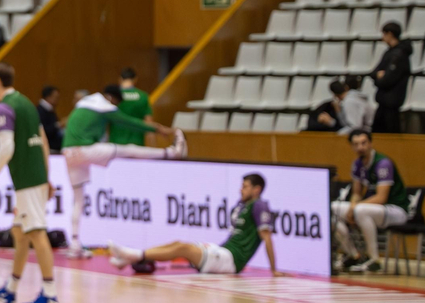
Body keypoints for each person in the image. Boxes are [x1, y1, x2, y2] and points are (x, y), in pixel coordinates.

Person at [60, 86, 185, 256]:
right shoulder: (103, 106)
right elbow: (131, 122)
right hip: (85, 150)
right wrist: (158, 128)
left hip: (68, 152)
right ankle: (171, 152)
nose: (117, 106)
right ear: (111, 98)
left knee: (78, 200)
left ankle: (74, 244)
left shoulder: (84, 103)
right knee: (129, 149)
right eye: (117, 102)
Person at [0, 63, 57, 303]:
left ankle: (51, 295)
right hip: (35, 177)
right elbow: (43, 140)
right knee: (19, 233)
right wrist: (47, 176)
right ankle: (11, 289)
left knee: (36, 232)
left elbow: (7, 148)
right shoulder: (27, 104)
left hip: (26, 179)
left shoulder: (4, 107)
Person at [108, 173, 276, 276]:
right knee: (178, 244)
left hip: (231, 260)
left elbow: (267, 238)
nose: (241, 190)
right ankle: (131, 258)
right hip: (224, 251)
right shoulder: (242, 206)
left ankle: (133, 255)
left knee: (184, 249)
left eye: (245, 187)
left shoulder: (259, 205)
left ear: (257, 190)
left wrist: (273, 270)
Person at [331, 129, 409, 274]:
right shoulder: (357, 164)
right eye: (356, 144)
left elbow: (381, 198)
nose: (360, 147)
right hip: (373, 209)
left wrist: (355, 208)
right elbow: (356, 193)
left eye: (363, 143)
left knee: (361, 211)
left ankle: (374, 260)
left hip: (395, 209)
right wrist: (352, 205)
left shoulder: (383, 163)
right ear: (351, 146)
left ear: (370, 143)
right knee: (332, 209)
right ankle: (353, 254)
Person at [370, 23, 412, 135]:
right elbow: (374, 73)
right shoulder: (389, 52)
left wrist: (379, 79)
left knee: (391, 133)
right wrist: (378, 76)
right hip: (384, 101)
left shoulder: (399, 55)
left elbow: (387, 79)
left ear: (390, 34)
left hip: (392, 101)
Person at [109, 68, 155, 144]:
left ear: (120, 79)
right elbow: (149, 123)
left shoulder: (113, 96)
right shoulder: (143, 96)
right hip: (137, 142)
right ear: (135, 79)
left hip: (116, 143)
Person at [36, 86, 65, 153]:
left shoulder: (50, 110)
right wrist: (59, 125)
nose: (57, 100)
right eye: (56, 97)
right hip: (49, 147)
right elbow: (43, 130)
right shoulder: (40, 111)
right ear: (48, 97)